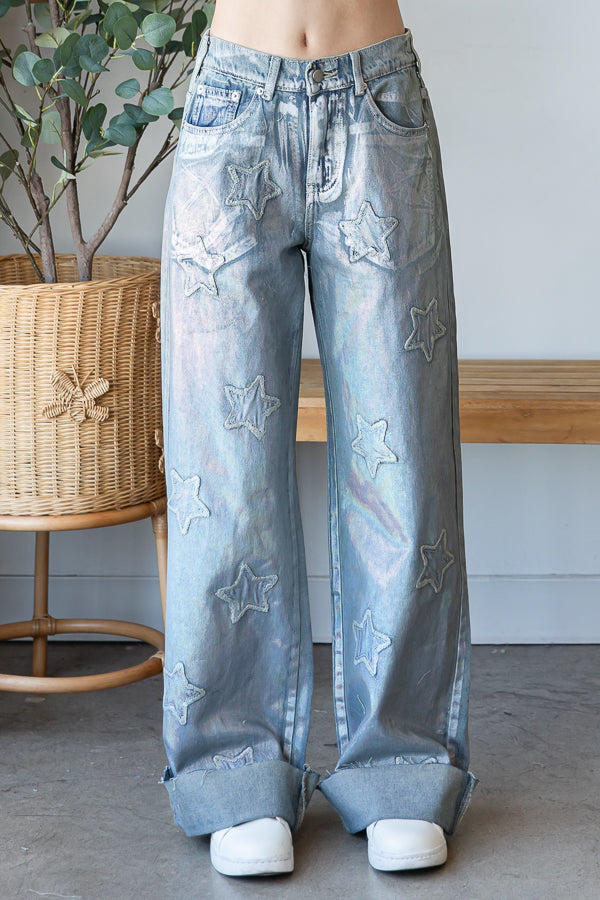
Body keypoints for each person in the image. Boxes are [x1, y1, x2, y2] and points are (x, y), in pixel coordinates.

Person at [158, 0, 479, 877]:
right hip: (233, 105)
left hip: (378, 101)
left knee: (401, 459)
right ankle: (233, 770)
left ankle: (403, 765)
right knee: (223, 476)